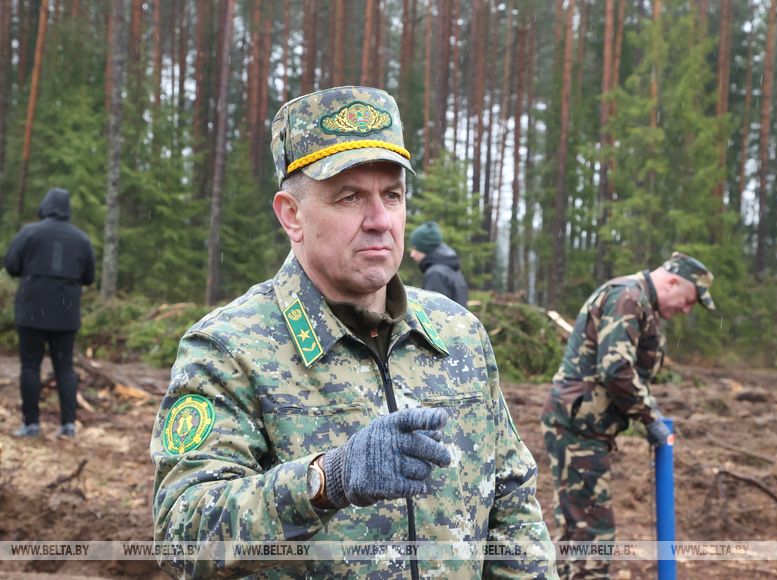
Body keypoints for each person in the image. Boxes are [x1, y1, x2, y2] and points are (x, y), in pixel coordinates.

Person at [150, 86, 555, 578]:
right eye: (350, 197)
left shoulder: (458, 336)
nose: (380, 220)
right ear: (292, 215)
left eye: (392, 195)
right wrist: (325, 482)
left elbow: (512, 506)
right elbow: (183, 534)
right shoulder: (230, 348)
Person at [540, 252, 715, 579]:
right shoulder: (628, 297)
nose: (686, 309)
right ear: (672, 282)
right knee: (592, 532)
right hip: (578, 429)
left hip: (584, 426)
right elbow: (616, 369)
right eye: (689, 300)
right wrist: (650, 417)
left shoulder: (640, 301)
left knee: (577, 528)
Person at [4, 188, 96, 439]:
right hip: (66, 313)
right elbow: (89, 277)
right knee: (65, 368)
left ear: (45, 205)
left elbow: (11, 265)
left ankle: (31, 424)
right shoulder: (81, 239)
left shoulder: (29, 233)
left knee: (30, 366)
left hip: (32, 311)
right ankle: (68, 425)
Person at [408, 220, 469, 307]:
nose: (412, 254)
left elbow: (432, 310)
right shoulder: (450, 269)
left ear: (425, 247)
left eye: (415, 248)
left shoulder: (435, 274)